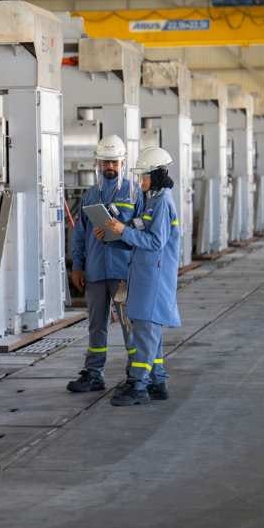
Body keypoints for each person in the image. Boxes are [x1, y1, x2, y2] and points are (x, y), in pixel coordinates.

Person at [98, 146, 181, 406]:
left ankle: (138, 385)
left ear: (155, 175)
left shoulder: (163, 203)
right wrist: (113, 236)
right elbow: (138, 236)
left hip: (154, 278)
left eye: (143, 175)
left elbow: (156, 241)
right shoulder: (151, 199)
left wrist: (122, 229)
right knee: (149, 333)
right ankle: (157, 381)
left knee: (145, 332)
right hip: (144, 274)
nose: (140, 180)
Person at [66, 135, 141, 393]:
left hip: (123, 271)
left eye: (114, 162)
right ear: (97, 163)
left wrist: (123, 229)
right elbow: (79, 234)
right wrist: (77, 265)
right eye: (105, 162)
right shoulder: (90, 195)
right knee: (96, 323)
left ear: (123, 163)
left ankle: (136, 374)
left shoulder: (134, 193)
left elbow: (143, 231)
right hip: (96, 271)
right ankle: (94, 373)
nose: (110, 167)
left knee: (129, 323)